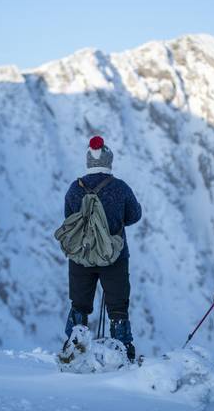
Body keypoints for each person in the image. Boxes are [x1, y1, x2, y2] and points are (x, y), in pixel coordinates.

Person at [62, 136, 142, 361]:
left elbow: (69, 219)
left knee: (79, 304)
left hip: (81, 256)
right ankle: (122, 349)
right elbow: (134, 216)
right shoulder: (120, 188)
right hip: (113, 257)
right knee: (117, 307)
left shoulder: (74, 189)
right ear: (109, 160)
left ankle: (74, 347)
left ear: (88, 161)